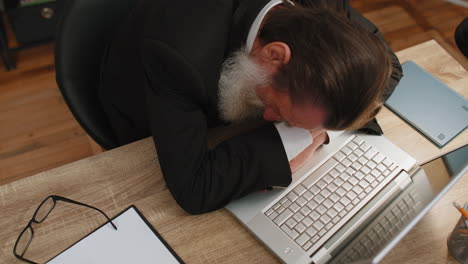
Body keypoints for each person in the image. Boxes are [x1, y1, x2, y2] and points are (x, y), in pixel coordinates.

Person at [99, 0, 402, 214]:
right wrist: (291, 141)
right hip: (141, 102)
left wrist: (320, 131)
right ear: (275, 56)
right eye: (281, 113)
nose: (270, 118)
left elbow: (390, 69)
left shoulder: (326, 9)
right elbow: (194, 190)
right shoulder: (178, 58)